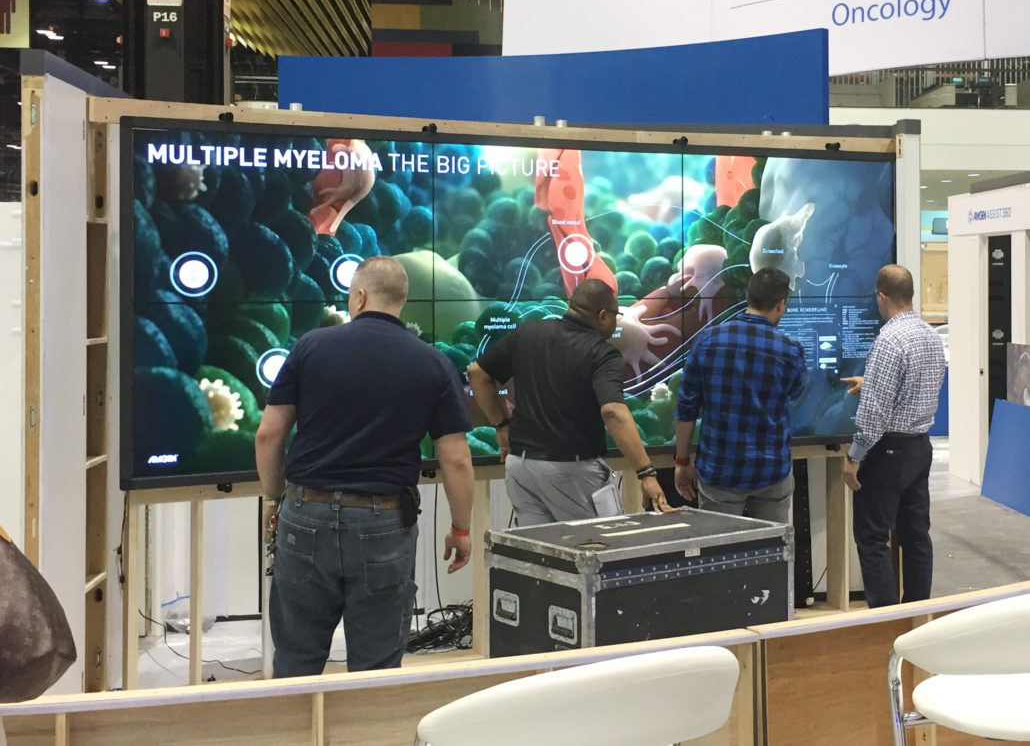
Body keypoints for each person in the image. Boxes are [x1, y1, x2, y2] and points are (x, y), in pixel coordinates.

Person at [256, 256, 474, 678]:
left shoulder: (310, 346)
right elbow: (457, 458)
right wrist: (460, 528)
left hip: (306, 515)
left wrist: (272, 497)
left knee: (296, 660)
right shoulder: (432, 362)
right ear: (402, 302)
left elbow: (268, 434)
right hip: (384, 523)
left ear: (358, 296)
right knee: (376, 670)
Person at [467, 279, 673, 525]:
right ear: (603, 316)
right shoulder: (602, 353)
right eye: (616, 315)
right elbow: (613, 412)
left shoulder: (527, 332)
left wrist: (501, 425)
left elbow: (477, 373)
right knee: (607, 548)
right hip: (572, 471)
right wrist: (646, 473)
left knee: (543, 556)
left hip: (521, 468)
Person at [841, 264, 946, 608]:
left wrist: (854, 457)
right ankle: (917, 612)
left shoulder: (888, 340)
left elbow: (874, 414)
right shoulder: (930, 335)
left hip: (887, 452)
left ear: (882, 296)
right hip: (919, 447)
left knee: (872, 538)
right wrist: (868, 382)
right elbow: (914, 387)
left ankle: (884, 620)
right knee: (916, 535)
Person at [673, 268, 807, 524]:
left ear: (748, 297)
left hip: (720, 472)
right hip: (772, 472)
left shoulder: (707, 341)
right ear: (781, 305)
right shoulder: (790, 351)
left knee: (718, 556)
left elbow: (686, 407)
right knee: (773, 556)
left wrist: (681, 461)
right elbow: (796, 393)